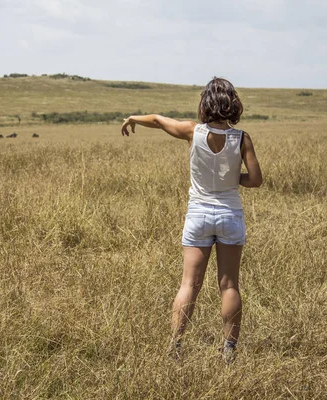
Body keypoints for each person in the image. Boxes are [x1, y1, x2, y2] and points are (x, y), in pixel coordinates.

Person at [121, 77, 263, 363]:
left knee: (189, 284)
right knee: (229, 285)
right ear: (233, 103)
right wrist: (233, 178)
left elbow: (159, 121)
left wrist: (133, 117)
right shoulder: (241, 138)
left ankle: (175, 347)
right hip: (229, 214)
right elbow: (257, 180)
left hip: (198, 214)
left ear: (205, 103)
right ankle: (229, 352)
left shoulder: (192, 131)